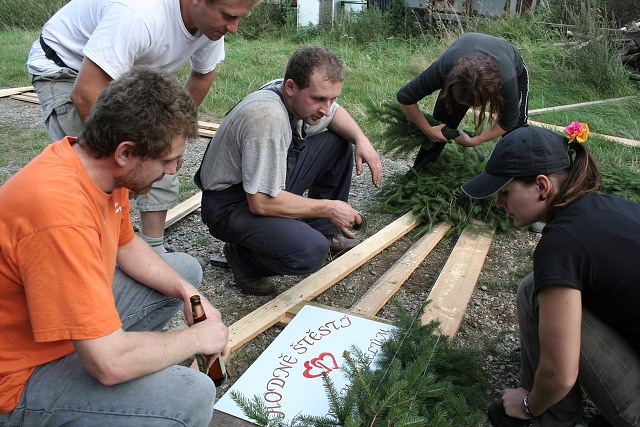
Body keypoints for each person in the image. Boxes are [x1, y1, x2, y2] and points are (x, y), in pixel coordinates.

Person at [0, 67, 228, 426]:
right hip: (16, 380)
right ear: (125, 152)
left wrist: (186, 292)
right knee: (190, 396)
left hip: (55, 333)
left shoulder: (100, 169)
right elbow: (109, 364)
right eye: (169, 160)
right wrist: (195, 339)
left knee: (183, 272)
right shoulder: (60, 216)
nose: (173, 171)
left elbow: (125, 245)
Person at [26, 0, 258, 253]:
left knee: (161, 151)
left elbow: (203, 75)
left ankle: (152, 246)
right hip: (67, 67)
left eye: (240, 18)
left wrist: (172, 137)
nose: (233, 28)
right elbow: (85, 93)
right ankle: (89, 246)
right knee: (94, 167)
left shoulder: (211, 25)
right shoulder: (139, 13)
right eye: (227, 16)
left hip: (127, 70)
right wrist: (123, 159)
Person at [461, 124, 640, 427]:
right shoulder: (608, 207)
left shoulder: (561, 243)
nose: (499, 203)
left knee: (536, 297)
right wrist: (547, 341)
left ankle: (550, 418)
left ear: (542, 187)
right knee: (534, 288)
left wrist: (530, 405)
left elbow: (560, 375)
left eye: (505, 192)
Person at [196, 45, 383, 296]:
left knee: (338, 142)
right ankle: (243, 260)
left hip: (260, 184)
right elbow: (260, 203)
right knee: (310, 252)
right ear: (291, 87)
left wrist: (362, 140)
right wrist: (328, 208)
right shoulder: (267, 117)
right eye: (318, 99)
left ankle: (324, 233)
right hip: (230, 204)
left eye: (332, 98)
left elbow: (336, 116)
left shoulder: (290, 95)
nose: (326, 109)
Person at [397, 32, 529, 176]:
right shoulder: (445, 67)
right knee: (442, 124)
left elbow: (509, 121)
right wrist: (428, 130)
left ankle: (515, 180)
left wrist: (476, 140)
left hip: (510, 67)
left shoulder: (507, 79)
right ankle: (419, 175)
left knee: (517, 131)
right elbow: (405, 97)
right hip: (461, 63)